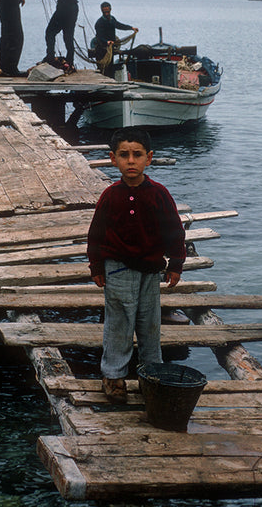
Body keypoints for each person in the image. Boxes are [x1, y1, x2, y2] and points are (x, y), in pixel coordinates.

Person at [87, 128, 186, 404]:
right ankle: (113, 376)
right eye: (124, 155)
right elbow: (96, 234)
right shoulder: (110, 196)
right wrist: (96, 266)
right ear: (112, 159)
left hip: (151, 270)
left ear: (149, 158)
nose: (131, 161)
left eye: (137, 155)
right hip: (117, 268)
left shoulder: (160, 194)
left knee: (149, 324)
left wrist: (176, 263)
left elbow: (174, 231)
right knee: (119, 322)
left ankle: (151, 374)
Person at [93, 2, 138, 74]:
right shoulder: (99, 23)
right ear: (101, 11)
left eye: (107, 11)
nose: (106, 13)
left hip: (111, 48)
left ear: (110, 10)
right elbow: (99, 36)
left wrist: (131, 28)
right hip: (102, 49)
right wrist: (106, 42)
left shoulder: (112, 19)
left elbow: (119, 25)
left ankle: (110, 78)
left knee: (110, 67)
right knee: (103, 68)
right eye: (104, 11)